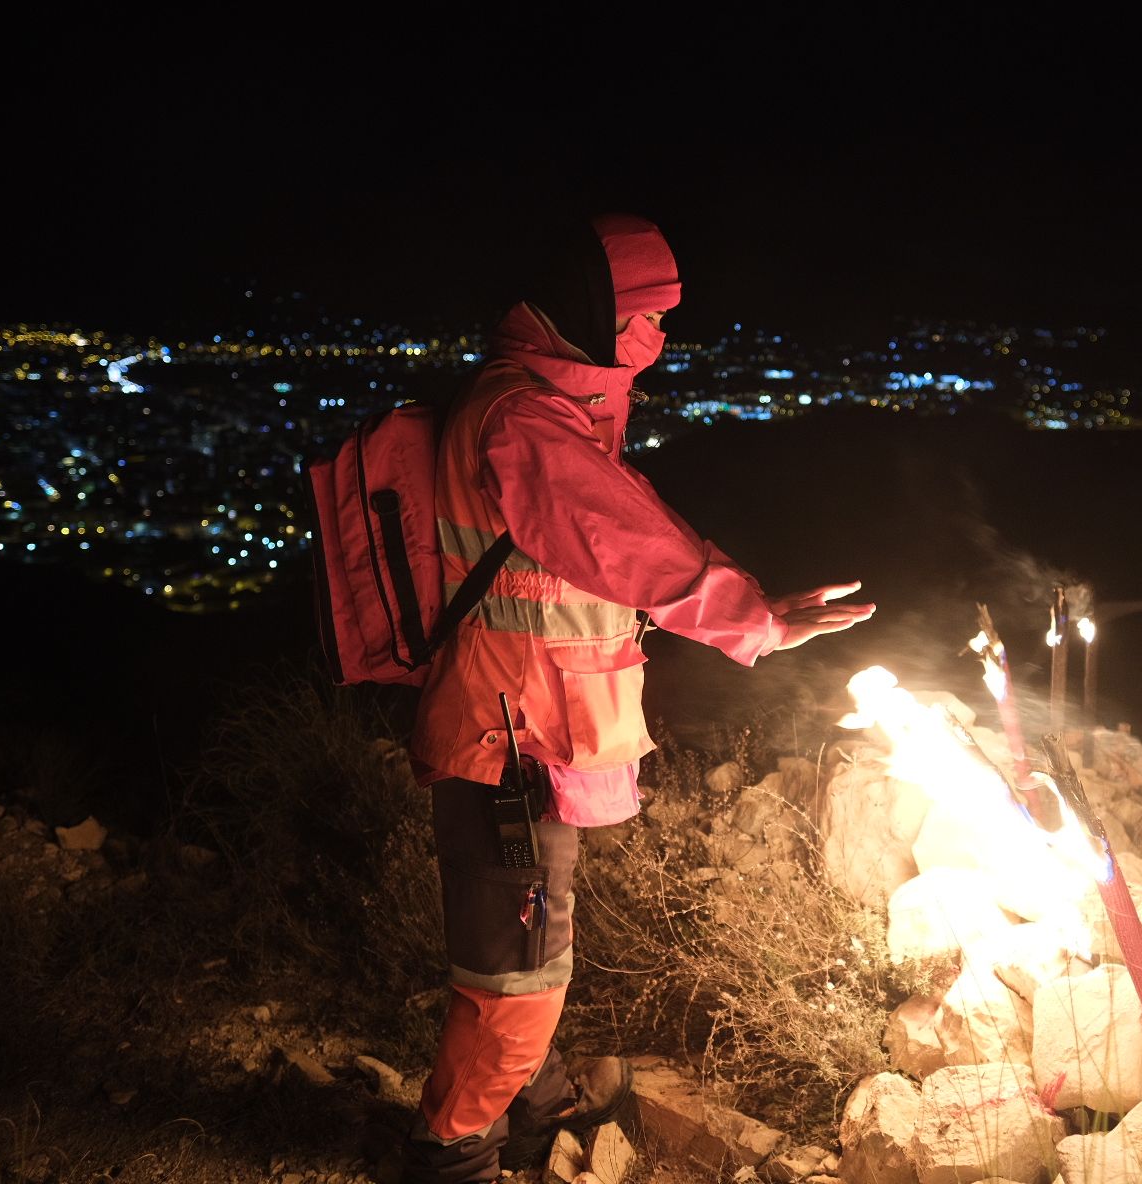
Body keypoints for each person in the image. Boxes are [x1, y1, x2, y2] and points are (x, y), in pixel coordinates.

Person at [376, 211, 875, 1184]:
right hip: (505, 743)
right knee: (515, 970)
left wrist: (757, 600)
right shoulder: (527, 422)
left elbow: (634, 525)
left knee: (522, 941)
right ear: (590, 315)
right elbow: (625, 545)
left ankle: (542, 1103)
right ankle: (453, 1155)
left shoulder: (550, 411)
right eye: (645, 317)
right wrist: (756, 621)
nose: (659, 339)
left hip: (522, 733)